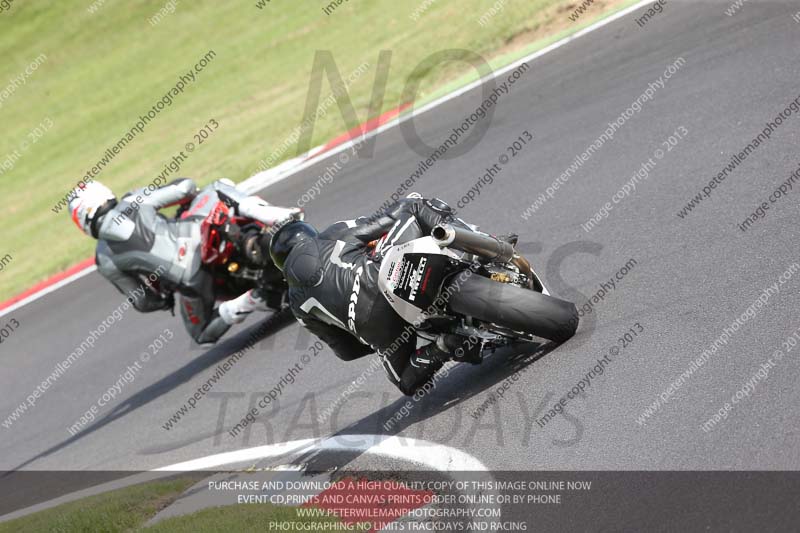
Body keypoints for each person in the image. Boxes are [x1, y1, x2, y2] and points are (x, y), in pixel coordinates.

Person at [269, 196, 482, 396]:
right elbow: (385, 220)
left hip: (372, 326)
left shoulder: (297, 306)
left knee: (406, 382)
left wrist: (375, 336)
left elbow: (347, 351)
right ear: (309, 233)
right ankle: (476, 245)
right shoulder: (331, 234)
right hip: (382, 277)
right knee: (414, 205)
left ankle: (442, 346)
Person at [68, 178, 300, 344]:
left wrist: (163, 300)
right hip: (197, 234)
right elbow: (184, 187)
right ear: (104, 194)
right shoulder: (133, 201)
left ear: (81, 220)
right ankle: (276, 215)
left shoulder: (104, 259)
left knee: (202, 333)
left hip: (190, 281)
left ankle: (248, 301)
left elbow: (142, 302)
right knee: (217, 188)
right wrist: (189, 198)